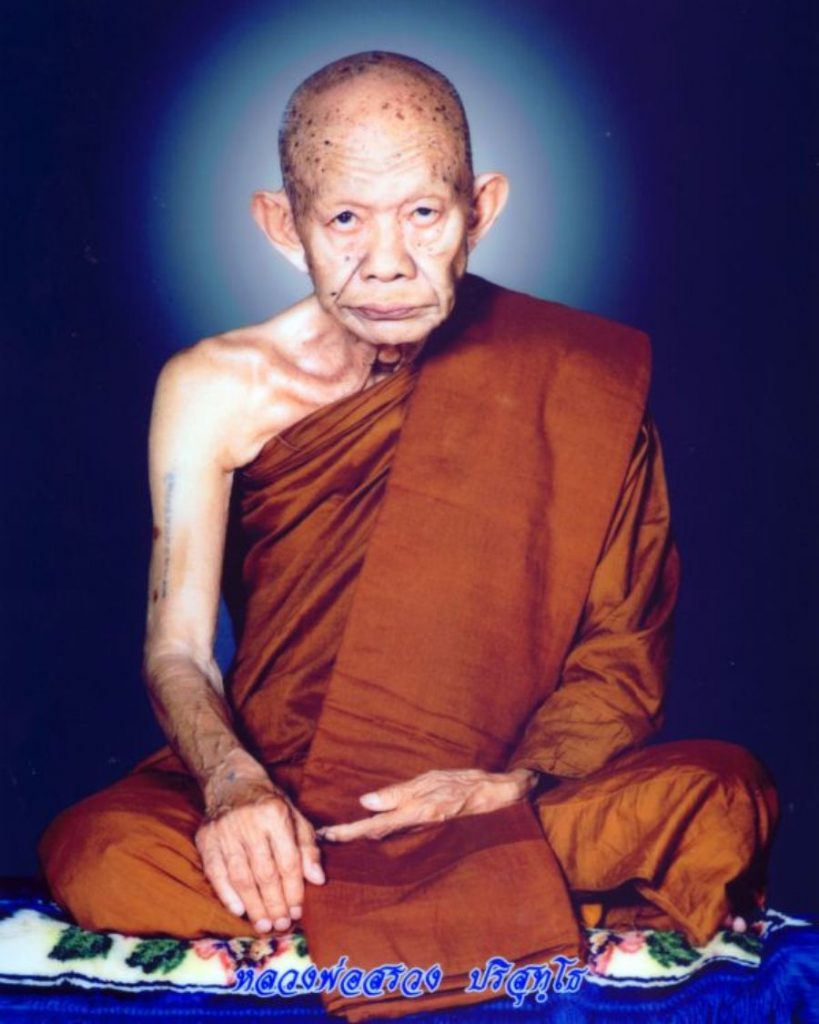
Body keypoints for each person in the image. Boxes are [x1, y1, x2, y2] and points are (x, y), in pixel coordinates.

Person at [39, 51, 778, 1020]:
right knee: (100, 850)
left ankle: (343, 918)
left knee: (722, 795)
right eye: (345, 219)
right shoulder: (212, 388)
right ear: (282, 225)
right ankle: (487, 912)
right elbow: (176, 648)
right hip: (286, 799)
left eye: (423, 213)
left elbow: (619, 656)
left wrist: (508, 784)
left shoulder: (579, 380)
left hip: (494, 802)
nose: (386, 261)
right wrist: (233, 787)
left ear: (481, 210)